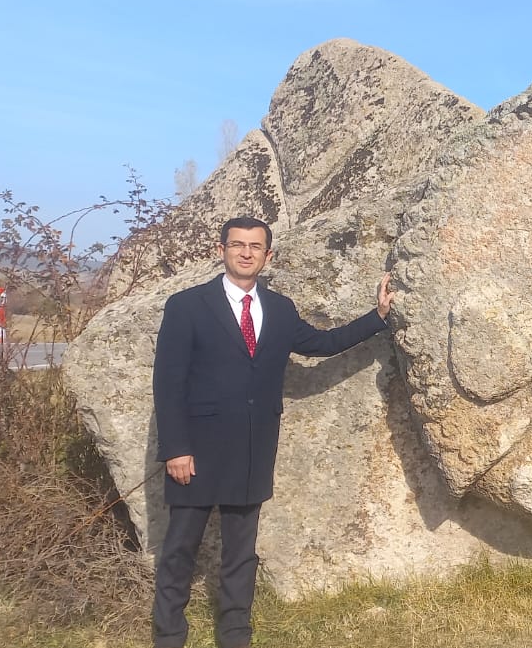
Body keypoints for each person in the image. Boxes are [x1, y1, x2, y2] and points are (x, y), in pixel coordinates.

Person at [150, 216, 394, 648]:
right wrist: (176, 448)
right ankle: (169, 636)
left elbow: (322, 343)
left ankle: (235, 635)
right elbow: (168, 383)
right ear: (221, 249)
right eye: (237, 244)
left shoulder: (280, 309)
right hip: (197, 453)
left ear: (268, 255)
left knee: (241, 555)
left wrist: (377, 316)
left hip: (252, 450)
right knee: (179, 551)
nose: (246, 252)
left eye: (255, 246)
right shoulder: (186, 305)